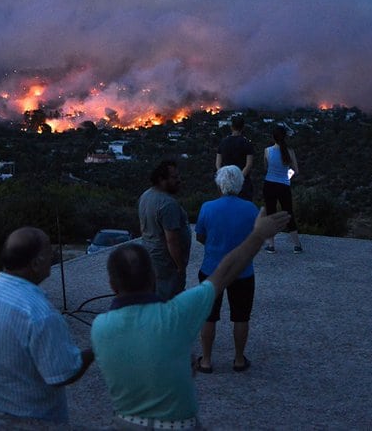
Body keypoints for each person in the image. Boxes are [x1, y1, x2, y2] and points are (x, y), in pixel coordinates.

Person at [92, 208, 290, 430]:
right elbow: (226, 271)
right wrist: (258, 235)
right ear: (153, 277)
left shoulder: (99, 327)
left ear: (112, 285)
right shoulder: (177, 314)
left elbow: (140, 358)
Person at [0, 227, 94, 423]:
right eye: (50, 251)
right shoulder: (40, 314)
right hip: (32, 420)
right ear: (36, 263)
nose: (53, 256)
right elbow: (63, 373)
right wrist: (96, 350)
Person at [194, 165, 259, 373]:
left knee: (208, 316)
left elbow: (200, 236)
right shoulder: (251, 209)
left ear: (219, 184)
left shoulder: (207, 207)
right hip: (242, 271)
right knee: (241, 317)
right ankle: (239, 359)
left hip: (212, 269)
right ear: (240, 184)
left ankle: (206, 360)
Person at [139, 160, 192, 300]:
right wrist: (180, 266)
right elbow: (172, 241)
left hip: (150, 257)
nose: (179, 180)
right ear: (161, 179)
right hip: (166, 263)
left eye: (178, 176)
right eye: (174, 177)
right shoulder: (168, 204)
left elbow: (143, 228)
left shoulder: (145, 196)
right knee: (169, 300)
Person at [262, 126, 302, 253]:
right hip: (284, 186)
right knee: (288, 213)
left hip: (269, 184)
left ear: (273, 137)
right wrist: (286, 177)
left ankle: (271, 246)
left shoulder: (267, 151)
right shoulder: (290, 151)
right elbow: (296, 170)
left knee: (271, 214)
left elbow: (266, 168)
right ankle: (297, 245)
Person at [216, 115, 254, 201]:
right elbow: (249, 165)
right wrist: (239, 178)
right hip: (243, 183)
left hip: (225, 183)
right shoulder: (247, 143)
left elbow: (218, 164)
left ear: (231, 127)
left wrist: (223, 177)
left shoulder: (223, 142)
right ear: (243, 127)